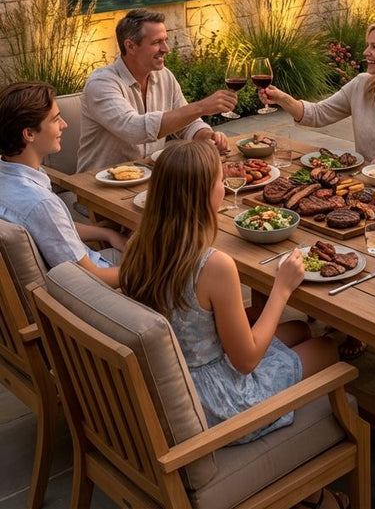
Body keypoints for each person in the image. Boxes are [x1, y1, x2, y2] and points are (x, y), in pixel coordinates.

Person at [119, 141, 340, 456]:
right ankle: (310, 478)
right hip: (216, 403)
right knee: (326, 347)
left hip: (175, 378)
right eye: (219, 182)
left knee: (300, 329)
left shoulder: (138, 246)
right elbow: (246, 361)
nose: (224, 188)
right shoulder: (212, 265)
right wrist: (282, 289)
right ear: (203, 196)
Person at [260, 18, 375, 178]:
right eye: (368, 45)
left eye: (374, 47)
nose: (365, 52)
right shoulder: (361, 85)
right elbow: (318, 114)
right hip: (362, 184)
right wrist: (282, 98)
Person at [78, 8, 237, 173]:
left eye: (165, 40)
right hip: (98, 186)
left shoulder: (164, 76)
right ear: (130, 46)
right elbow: (134, 129)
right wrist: (201, 107)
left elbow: (187, 123)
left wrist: (205, 136)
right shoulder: (101, 84)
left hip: (149, 178)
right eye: (156, 42)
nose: (166, 48)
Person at [0, 81, 125, 286]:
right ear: (29, 134)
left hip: (83, 267)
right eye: (56, 119)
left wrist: (108, 233)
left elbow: (54, 228)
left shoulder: (7, 176)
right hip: (95, 288)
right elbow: (91, 278)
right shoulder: (40, 203)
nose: (64, 125)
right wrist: (153, 274)